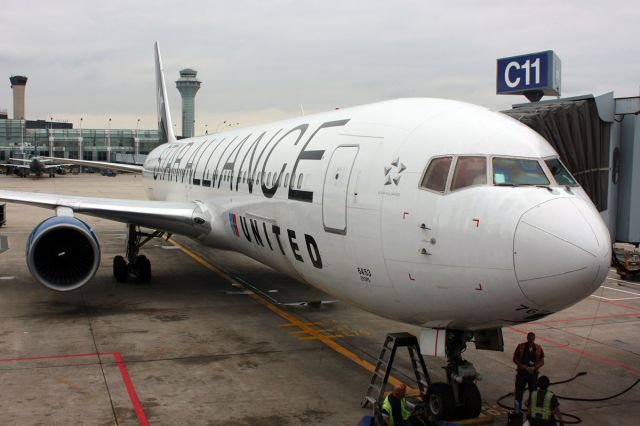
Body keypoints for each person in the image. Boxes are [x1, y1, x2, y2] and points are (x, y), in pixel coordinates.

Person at [513, 332, 544, 412]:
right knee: (518, 394)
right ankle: (517, 411)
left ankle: (530, 411)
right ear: (527, 338)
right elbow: (515, 358)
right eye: (530, 339)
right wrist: (521, 366)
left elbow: (542, 362)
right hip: (522, 374)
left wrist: (534, 367)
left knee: (533, 394)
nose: (531, 341)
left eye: (532, 339)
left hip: (533, 374)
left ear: (534, 339)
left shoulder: (538, 348)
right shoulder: (521, 347)